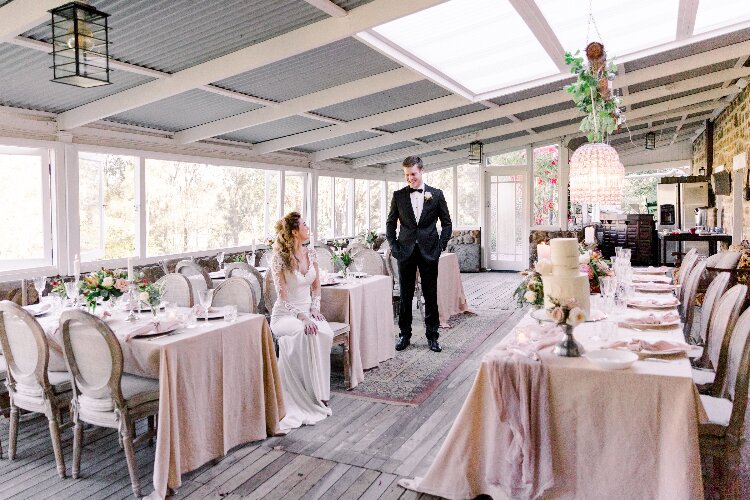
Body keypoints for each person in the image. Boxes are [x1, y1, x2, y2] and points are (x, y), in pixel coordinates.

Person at [269, 212, 333, 433]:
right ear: (295, 232)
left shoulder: (311, 252)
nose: (309, 226)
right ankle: (302, 394)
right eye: (305, 224)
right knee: (307, 332)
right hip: (285, 315)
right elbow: (283, 297)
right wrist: (302, 317)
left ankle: (319, 393)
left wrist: (314, 310)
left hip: (308, 311)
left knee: (324, 331)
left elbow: (316, 287)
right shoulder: (279, 258)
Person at [386, 156, 452, 353]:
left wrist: (440, 245)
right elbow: (390, 224)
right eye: (407, 175)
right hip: (405, 252)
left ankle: (433, 336)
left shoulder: (437, 194)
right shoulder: (398, 196)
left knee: (430, 294)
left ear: (422, 170)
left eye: (413, 174)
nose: (410, 179)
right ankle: (404, 335)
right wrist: (395, 247)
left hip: (429, 251)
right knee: (406, 296)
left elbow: (447, 223)